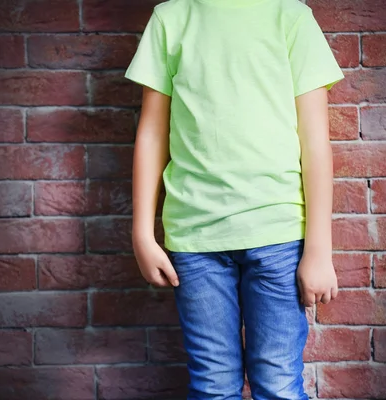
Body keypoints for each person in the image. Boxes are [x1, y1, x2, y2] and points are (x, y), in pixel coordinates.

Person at [124, 0, 344, 398]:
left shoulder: (290, 17)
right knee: (212, 386)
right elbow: (152, 134)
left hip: (277, 236)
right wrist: (142, 233)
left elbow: (315, 143)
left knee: (277, 383)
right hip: (195, 240)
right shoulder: (171, 19)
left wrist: (319, 250)